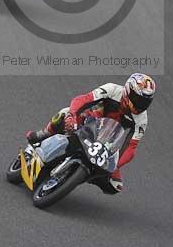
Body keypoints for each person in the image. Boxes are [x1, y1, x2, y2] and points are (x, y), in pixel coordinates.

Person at [26, 73, 156, 194]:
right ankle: (44, 133)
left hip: (107, 141)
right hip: (89, 121)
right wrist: (72, 115)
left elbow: (131, 147)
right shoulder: (112, 90)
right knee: (64, 113)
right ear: (128, 91)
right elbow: (82, 99)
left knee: (115, 186)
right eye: (138, 99)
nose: (140, 105)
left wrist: (116, 165)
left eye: (145, 102)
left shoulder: (142, 119)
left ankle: (81, 175)